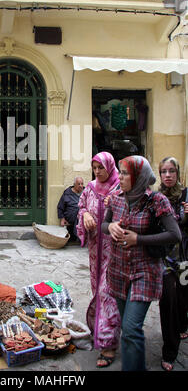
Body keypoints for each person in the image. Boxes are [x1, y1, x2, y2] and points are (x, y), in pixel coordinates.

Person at [101, 155, 182, 371]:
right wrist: (110, 227)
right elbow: (104, 224)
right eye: (120, 171)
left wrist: (139, 239)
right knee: (129, 330)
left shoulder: (156, 201)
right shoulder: (117, 197)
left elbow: (175, 234)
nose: (120, 176)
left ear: (139, 176)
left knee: (130, 328)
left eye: (126, 173)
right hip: (118, 271)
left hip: (144, 272)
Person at [77, 152, 121, 368]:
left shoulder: (120, 188)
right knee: (98, 291)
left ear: (109, 167)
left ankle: (108, 344)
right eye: (94, 168)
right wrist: (84, 214)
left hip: (115, 252)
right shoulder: (91, 188)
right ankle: (101, 333)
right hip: (96, 251)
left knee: (107, 294)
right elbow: (82, 205)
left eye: (100, 168)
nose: (97, 172)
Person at [157, 157, 188, 371]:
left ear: (177, 173)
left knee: (182, 300)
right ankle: (170, 350)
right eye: (163, 171)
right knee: (167, 301)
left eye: (171, 171)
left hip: (185, 258)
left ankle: (182, 325)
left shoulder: (186, 195)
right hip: (164, 261)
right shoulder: (156, 197)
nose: (167, 175)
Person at [57, 176, 84, 241]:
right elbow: (60, 206)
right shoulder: (67, 193)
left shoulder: (86, 192)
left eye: (82, 184)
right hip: (70, 218)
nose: (81, 186)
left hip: (82, 218)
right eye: (78, 184)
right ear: (74, 185)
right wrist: (62, 219)